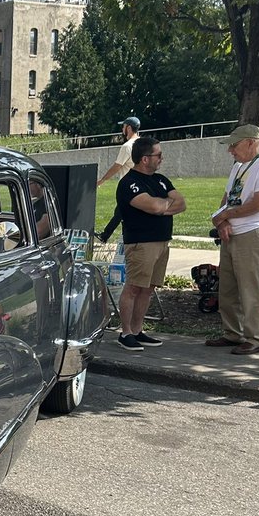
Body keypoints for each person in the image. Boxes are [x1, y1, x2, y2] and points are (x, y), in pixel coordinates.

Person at [205, 124, 259, 355]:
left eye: (234, 145)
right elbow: (227, 198)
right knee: (227, 288)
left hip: (251, 233)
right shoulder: (238, 167)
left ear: (251, 142)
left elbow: (258, 203)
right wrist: (222, 222)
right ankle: (232, 333)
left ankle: (255, 338)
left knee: (250, 288)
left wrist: (224, 216)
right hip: (232, 233)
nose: (231, 150)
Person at [114, 135, 186, 351]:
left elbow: (181, 203)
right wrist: (163, 205)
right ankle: (125, 332)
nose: (161, 159)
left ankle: (137, 330)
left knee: (148, 288)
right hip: (141, 243)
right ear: (145, 158)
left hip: (162, 241)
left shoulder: (161, 180)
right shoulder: (129, 183)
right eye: (158, 155)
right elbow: (152, 206)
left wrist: (162, 206)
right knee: (134, 287)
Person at [97, 117, 140, 242]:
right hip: (139, 185)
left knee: (122, 213)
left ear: (129, 128)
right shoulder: (142, 144)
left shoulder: (127, 147)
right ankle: (106, 236)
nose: (122, 129)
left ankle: (121, 239)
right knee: (122, 213)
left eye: (123, 126)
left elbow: (117, 166)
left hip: (127, 186)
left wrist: (102, 180)